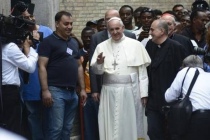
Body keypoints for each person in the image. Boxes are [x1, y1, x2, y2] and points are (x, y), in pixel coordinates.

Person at [90, 17, 151, 140]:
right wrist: (99, 63)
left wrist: (144, 93)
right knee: (111, 122)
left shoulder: (136, 45)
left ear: (122, 28)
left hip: (130, 91)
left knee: (128, 122)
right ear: (108, 30)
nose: (115, 32)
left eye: (117, 28)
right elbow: (97, 71)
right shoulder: (101, 46)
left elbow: (143, 73)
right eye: (111, 29)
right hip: (109, 92)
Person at [38, 11, 87, 140]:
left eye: (71, 24)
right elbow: (41, 66)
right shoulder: (48, 42)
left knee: (67, 129)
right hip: (55, 92)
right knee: (56, 129)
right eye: (66, 24)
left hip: (72, 93)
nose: (69, 27)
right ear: (57, 24)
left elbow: (78, 66)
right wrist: (45, 90)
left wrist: (82, 89)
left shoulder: (73, 42)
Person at [145, 19, 185, 140]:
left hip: (170, 101)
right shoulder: (150, 45)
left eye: (152, 29)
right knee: (153, 132)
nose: (150, 32)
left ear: (162, 31)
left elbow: (182, 74)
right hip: (153, 100)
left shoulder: (176, 47)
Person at [89, 9, 136, 104]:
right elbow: (92, 65)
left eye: (113, 18)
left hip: (126, 87)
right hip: (104, 85)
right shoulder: (96, 38)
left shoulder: (130, 36)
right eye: (107, 19)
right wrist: (95, 90)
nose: (110, 21)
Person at [20, 6, 53, 140]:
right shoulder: (19, 34)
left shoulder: (47, 31)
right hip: (29, 85)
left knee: (50, 121)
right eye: (25, 18)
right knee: (33, 120)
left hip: (48, 84)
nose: (29, 20)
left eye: (30, 16)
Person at [165, 55, 210, 140]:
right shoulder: (208, 76)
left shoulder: (185, 71)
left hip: (195, 119)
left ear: (184, 65)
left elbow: (169, 97)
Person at [1, 37, 38, 135]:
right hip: (9, 91)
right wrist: (30, 49)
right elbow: (30, 67)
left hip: (4, 90)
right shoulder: (10, 47)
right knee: (12, 127)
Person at [80, 27, 99, 140]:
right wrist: (85, 62)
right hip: (86, 94)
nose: (88, 39)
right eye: (85, 37)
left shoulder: (99, 51)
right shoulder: (78, 53)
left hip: (98, 93)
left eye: (90, 37)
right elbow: (76, 73)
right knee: (88, 125)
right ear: (81, 38)